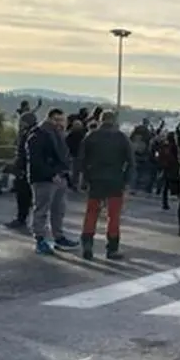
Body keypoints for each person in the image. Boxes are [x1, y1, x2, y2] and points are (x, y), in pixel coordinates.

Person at [77, 110, 134, 260]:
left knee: (91, 214)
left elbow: (81, 160)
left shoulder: (91, 136)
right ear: (114, 121)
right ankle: (112, 249)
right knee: (113, 216)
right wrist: (127, 181)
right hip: (115, 180)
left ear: (101, 120)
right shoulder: (122, 137)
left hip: (95, 180)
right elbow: (130, 162)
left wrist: (85, 178)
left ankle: (88, 245)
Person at [26, 108, 79, 255]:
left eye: (62, 120)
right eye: (57, 120)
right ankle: (40, 239)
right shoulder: (38, 135)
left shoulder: (58, 135)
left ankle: (58, 237)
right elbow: (35, 160)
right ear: (49, 119)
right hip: (44, 179)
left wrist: (63, 173)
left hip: (59, 177)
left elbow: (64, 156)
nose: (60, 123)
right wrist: (51, 174)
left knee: (59, 209)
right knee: (41, 209)